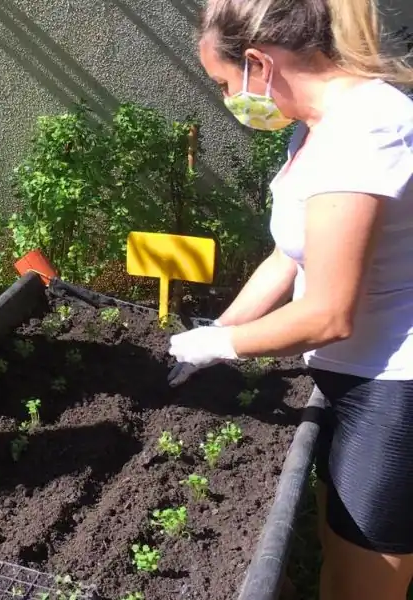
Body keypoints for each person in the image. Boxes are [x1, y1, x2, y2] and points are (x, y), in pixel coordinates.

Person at [167, 1, 413, 598]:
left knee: (365, 586)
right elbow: (287, 257)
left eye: (224, 83)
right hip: (350, 377)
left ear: (258, 63)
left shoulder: (366, 131)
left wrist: (223, 344)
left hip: (394, 388)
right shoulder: (314, 126)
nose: (229, 99)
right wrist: (216, 331)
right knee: (335, 550)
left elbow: (328, 312)